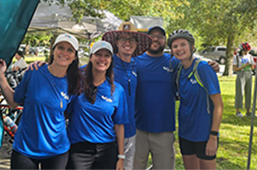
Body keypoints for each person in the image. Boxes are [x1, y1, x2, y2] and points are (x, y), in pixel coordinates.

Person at [133, 26, 220, 170]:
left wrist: (212, 65)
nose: (155, 39)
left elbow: (193, 62)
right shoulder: (135, 61)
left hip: (164, 129)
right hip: (138, 128)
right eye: (152, 35)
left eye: (160, 36)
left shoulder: (174, 63)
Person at [0, 33, 82, 169]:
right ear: (53, 50)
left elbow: (68, 113)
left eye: (70, 50)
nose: (64, 52)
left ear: (74, 57)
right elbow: (13, 102)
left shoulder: (74, 82)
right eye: (60, 47)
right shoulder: (34, 72)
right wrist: (1, 77)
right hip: (26, 148)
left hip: (56, 150)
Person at [66, 41, 128, 170]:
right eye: (98, 54)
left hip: (107, 150)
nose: (102, 59)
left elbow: (119, 124)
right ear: (91, 57)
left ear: (111, 60)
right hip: (79, 149)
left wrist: (121, 157)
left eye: (106, 56)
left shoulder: (117, 90)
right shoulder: (77, 83)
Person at [168, 29, 223, 170]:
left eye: (183, 44)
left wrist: (213, 136)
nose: (179, 49)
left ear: (192, 46)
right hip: (185, 132)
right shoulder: (178, 70)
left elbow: (218, 105)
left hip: (204, 133)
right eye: (175, 46)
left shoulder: (203, 68)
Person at [102, 21, 152, 169]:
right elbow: (81, 71)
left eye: (131, 40)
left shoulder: (138, 65)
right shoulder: (107, 62)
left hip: (130, 129)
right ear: (116, 42)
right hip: (109, 129)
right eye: (123, 39)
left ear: (137, 44)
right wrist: (45, 66)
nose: (127, 43)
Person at [233, 42, 255, 118]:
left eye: (247, 51)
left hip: (249, 74)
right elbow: (235, 69)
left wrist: (251, 65)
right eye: (244, 51)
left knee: (248, 92)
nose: (246, 53)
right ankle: (238, 111)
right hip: (241, 74)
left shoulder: (250, 56)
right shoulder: (237, 57)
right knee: (240, 92)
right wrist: (244, 66)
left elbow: (252, 68)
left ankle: (248, 111)